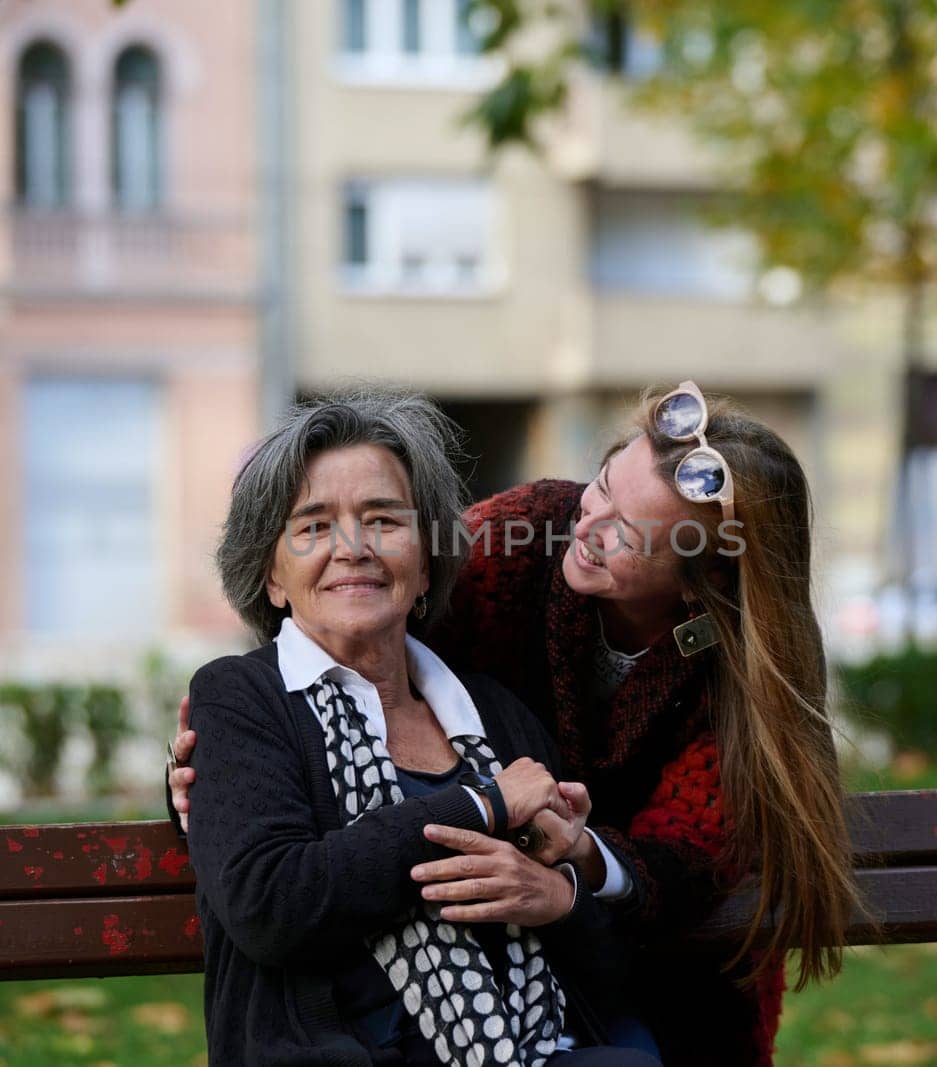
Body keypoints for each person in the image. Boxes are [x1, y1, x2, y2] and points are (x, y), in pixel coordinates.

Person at [174, 382, 866, 1065]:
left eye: (626, 533)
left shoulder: (726, 685)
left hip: (646, 956)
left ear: (696, 582)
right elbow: (323, 660)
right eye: (601, 487)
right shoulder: (522, 538)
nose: (585, 526)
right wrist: (214, 790)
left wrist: (575, 869)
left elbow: (682, 868)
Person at [185, 392, 661, 1065]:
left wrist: (559, 897)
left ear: (428, 563)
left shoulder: (494, 714)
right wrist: (481, 805)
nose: (353, 548)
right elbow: (272, 903)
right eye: (314, 527)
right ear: (271, 577)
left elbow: (607, 969)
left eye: (383, 519)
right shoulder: (242, 699)